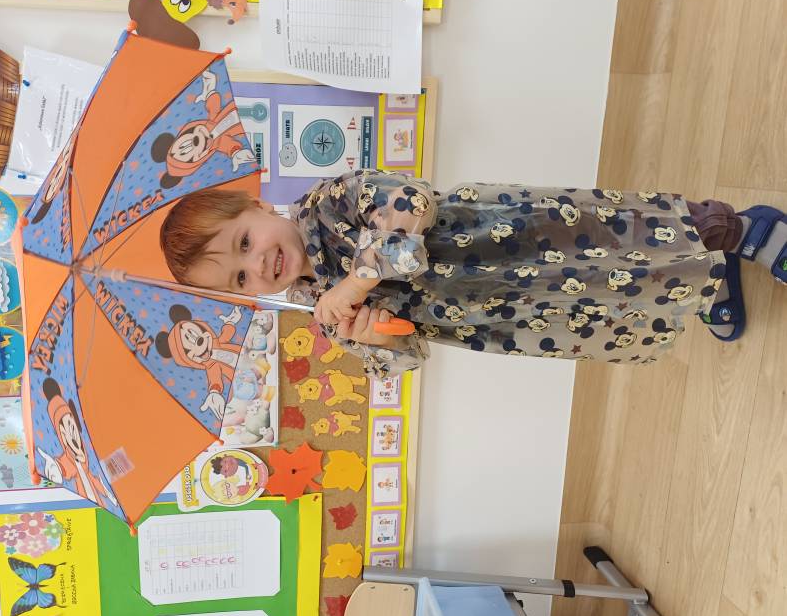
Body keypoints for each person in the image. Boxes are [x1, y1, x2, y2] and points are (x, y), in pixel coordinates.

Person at [159, 170, 786, 377]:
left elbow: (411, 206)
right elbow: (408, 357)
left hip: (514, 238)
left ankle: (742, 231)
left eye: (245, 242)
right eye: (240, 279)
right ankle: (703, 282)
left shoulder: (331, 202)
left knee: (622, 240)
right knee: (605, 298)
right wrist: (374, 334)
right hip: (501, 310)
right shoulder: (324, 309)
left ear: (256, 206)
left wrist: (358, 279)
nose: (257, 264)